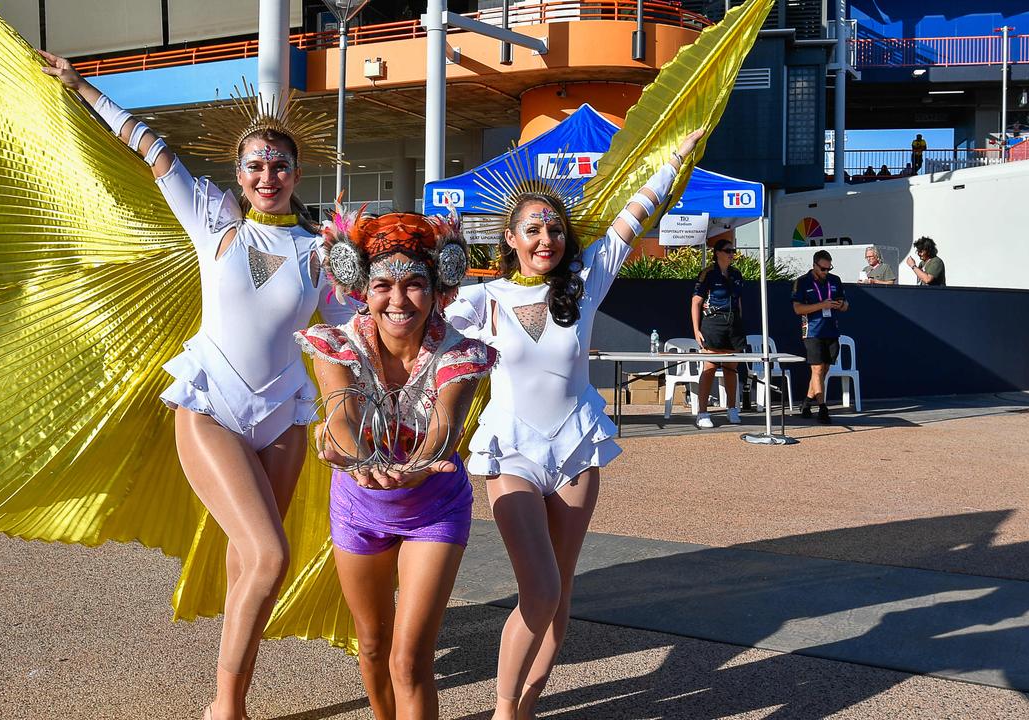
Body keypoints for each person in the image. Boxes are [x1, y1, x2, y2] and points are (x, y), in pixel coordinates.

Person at [40, 52, 350, 720]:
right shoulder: (213, 219)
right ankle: (225, 708)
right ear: (238, 175)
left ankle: (229, 695)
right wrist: (81, 87)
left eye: (280, 165)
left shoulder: (323, 248)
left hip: (282, 419)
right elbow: (152, 146)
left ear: (298, 174)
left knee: (253, 565)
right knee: (270, 554)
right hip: (212, 406)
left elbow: (361, 327)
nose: (268, 174)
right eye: (256, 165)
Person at [446, 130, 704, 720]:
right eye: (533, 229)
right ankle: (503, 710)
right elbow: (410, 316)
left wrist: (673, 160)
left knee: (558, 593)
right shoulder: (481, 300)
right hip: (511, 452)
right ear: (510, 240)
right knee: (537, 589)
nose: (546, 238)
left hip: (575, 452)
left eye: (555, 229)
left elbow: (631, 217)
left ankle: (529, 705)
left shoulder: (585, 283)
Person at [299, 208, 494, 720]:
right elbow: (341, 415)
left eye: (414, 284)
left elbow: (445, 424)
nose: (398, 299)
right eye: (383, 284)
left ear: (437, 288)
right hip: (358, 509)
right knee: (370, 646)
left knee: (409, 659)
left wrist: (421, 465)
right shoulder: (337, 344)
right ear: (363, 287)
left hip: (434, 508)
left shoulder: (460, 353)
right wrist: (359, 459)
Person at [691, 237, 746, 428]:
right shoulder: (707, 274)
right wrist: (697, 330)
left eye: (733, 251)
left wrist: (739, 322)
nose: (732, 254)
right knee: (710, 367)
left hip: (733, 324)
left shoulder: (737, 274)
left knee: (731, 369)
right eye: (728, 250)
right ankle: (703, 412)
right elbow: (696, 302)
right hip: (713, 322)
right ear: (718, 253)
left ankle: (732, 408)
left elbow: (738, 301)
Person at [791, 250, 848, 424]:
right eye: (822, 269)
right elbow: (798, 309)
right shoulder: (801, 282)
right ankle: (823, 408)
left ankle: (807, 403)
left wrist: (840, 305)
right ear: (814, 265)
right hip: (812, 332)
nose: (825, 272)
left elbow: (846, 305)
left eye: (828, 269)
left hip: (831, 331)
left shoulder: (835, 280)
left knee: (823, 370)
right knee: (816, 370)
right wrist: (821, 305)